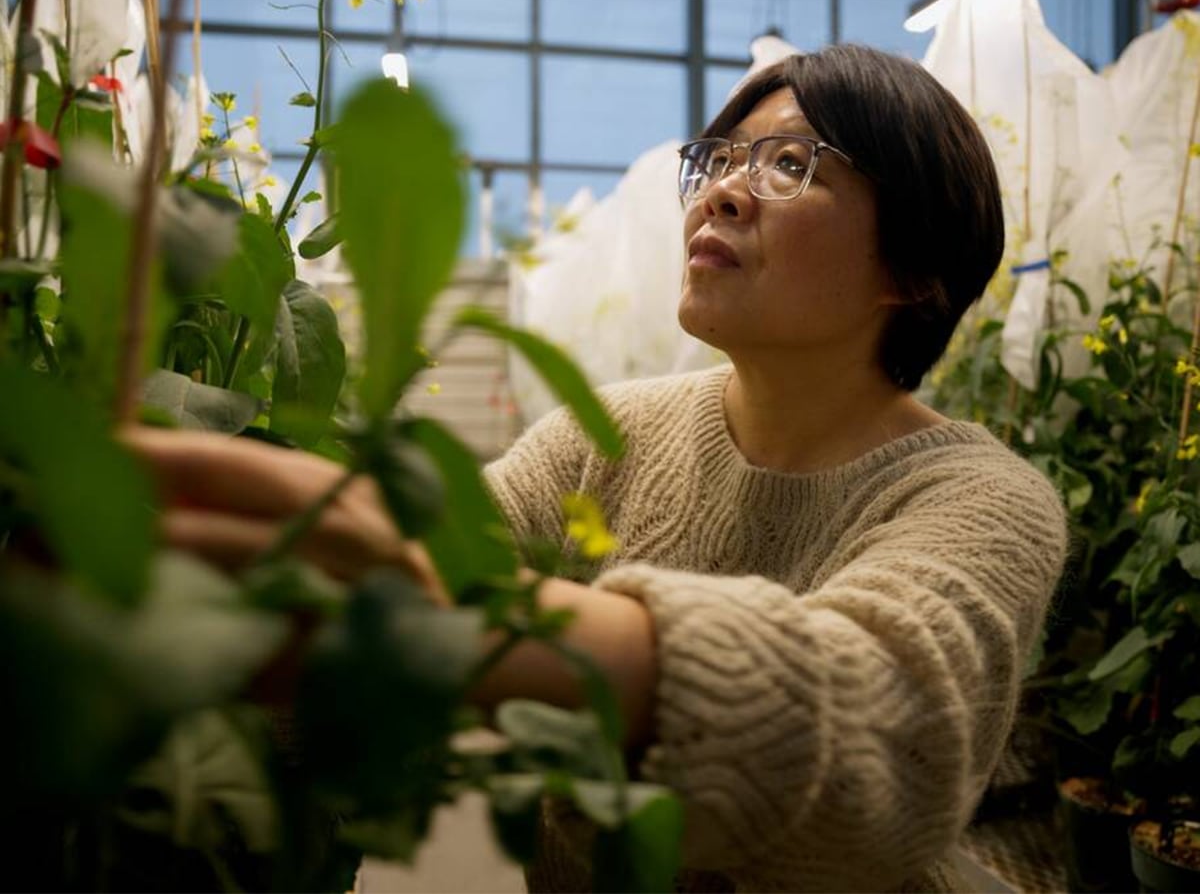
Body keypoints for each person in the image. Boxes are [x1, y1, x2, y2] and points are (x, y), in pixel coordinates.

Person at [129, 44, 1067, 893]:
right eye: (723, 159)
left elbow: (878, 739)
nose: (724, 192)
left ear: (911, 269)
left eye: (790, 164)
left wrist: (453, 615)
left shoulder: (983, 502)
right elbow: (397, 594)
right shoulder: (609, 434)